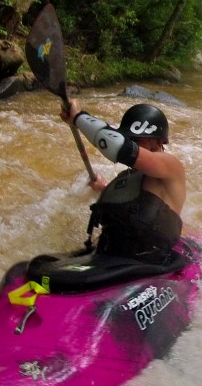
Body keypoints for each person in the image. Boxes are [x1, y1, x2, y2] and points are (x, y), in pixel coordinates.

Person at [60, 100, 187, 265]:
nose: (131, 142)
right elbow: (135, 205)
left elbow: (119, 146)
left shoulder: (171, 166)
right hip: (108, 257)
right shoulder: (128, 177)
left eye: (136, 139)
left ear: (158, 142)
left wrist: (78, 117)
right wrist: (104, 189)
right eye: (130, 138)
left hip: (148, 263)